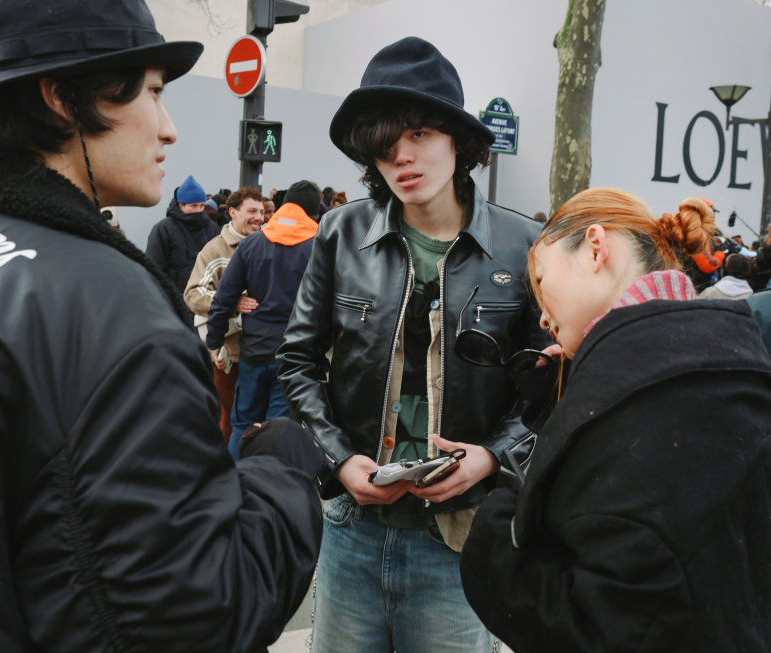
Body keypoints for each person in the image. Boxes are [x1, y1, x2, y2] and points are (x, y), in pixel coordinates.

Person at [0, 1, 324, 651]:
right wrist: (281, 467)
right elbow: (195, 619)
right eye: (153, 94)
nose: (169, 129)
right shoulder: (117, 315)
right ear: (63, 99)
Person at [277, 37, 550, 653]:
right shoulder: (341, 233)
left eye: (421, 134)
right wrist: (341, 460)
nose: (403, 158)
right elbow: (297, 362)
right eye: (384, 147)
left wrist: (491, 457)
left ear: (458, 138)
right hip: (352, 529)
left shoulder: (523, 245)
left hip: (460, 539)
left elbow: (551, 385)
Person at [461, 190, 771, 653]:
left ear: (595, 247)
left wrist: (497, 525)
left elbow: (603, 621)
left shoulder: (627, 410)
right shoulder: (730, 362)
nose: (543, 318)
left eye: (542, 281)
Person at [207, 181, 320, 461]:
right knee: (279, 430)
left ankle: (232, 487)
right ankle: (267, 493)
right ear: (313, 212)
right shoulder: (319, 247)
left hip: (254, 352)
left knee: (243, 424)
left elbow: (223, 299)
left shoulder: (252, 244)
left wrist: (214, 341)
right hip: (296, 354)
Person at [184, 187, 266, 442]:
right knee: (230, 419)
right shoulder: (214, 250)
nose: (259, 217)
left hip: (265, 350)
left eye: (262, 212)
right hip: (231, 353)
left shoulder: (270, 245)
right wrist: (232, 303)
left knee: (262, 422)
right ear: (232, 212)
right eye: (251, 211)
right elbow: (193, 295)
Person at [145, 174, 219, 293]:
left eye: (201, 205)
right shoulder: (163, 229)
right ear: (181, 205)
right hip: (175, 300)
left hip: (206, 298)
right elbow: (154, 268)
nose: (198, 210)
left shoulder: (212, 228)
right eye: (193, 206)